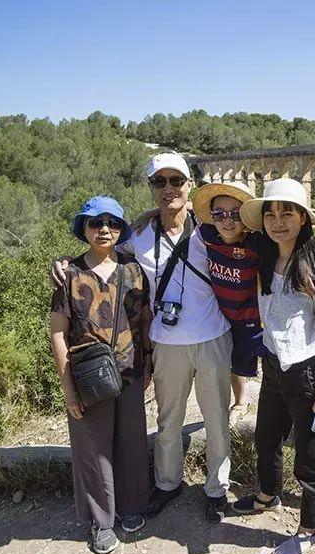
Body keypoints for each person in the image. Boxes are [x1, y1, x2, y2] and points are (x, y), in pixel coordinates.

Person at [52, 153, 233, 524]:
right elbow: (101, 252)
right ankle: (168, 484)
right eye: (159, 182)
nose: (168, 189)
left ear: (189, 185)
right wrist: (65, 262)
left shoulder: (211, 229)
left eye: (176, 181)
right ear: (151, 189)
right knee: (168, 422)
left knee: (216, 419)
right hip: (165, 342)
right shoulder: (139, 237)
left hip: (213, 335)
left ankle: (216, 489)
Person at [231, 178, 315, 554]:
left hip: (307, 375)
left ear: (303, 219)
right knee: (265, 438)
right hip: (273, 365)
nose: (278, 221)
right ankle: (267, 495)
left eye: (287, 213)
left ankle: (310, 529)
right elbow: (214, 224)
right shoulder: (265, 258)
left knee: (311, 455)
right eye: (271, 213)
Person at [49, 195, 152, 554]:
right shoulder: (70, 274)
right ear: (84, 229)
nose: (104, 229)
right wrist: (68, 389)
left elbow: (144, 323)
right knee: (92, 448)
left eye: (112, 222)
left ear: (121, 228)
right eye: (96, 222)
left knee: (132, 441)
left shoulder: (133, 269)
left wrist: (148, 363)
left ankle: (132, 506)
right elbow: (58, 333)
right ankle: (101, 521)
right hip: (87, 374)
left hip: (130, 370)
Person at [134, 180, 263, 420]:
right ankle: (241, 401)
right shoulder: (207, 232)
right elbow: (187, 208)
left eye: (236, 214)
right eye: (220, 214)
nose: (227, 220)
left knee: (246, 362)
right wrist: (152, 213)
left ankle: (244, 402)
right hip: (222, 312)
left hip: (249, 317)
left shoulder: (256, 241)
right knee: (231, 360)